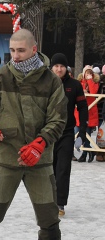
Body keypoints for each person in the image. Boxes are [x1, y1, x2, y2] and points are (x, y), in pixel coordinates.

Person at [0, 29, 68, 240]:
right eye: (12, 50)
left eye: (21, 50)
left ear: (34, 49)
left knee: (49, 221)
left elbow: (58, 119)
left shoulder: (51, 81)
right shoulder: (0, 76)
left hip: (40, 162)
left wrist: (40, 143)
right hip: (5, 159)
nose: (15, 56)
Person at [50, 53, 88, 216]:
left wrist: (82, 132)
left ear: (66, 68)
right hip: (48, 133)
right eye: (56, 66)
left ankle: (60, 203)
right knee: (48, 169)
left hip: (66, 133)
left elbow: (83, 108)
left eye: (62, 66)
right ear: (51, 68)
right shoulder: (45, 83)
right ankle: (47, 201)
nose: (59, 69)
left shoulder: (75, 85)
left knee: (63, 168)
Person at [75, 65, 99, 162]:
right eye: (87, 72)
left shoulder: (94, 83)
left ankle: (85, 153)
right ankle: (88, 151)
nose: (88, 74)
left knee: (87, 134)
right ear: (83, 73)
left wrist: (90, 81)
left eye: (90, 73)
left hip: (90, 112)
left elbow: (93, 91)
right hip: (79, 111)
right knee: (76, 133)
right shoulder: (79, 83)